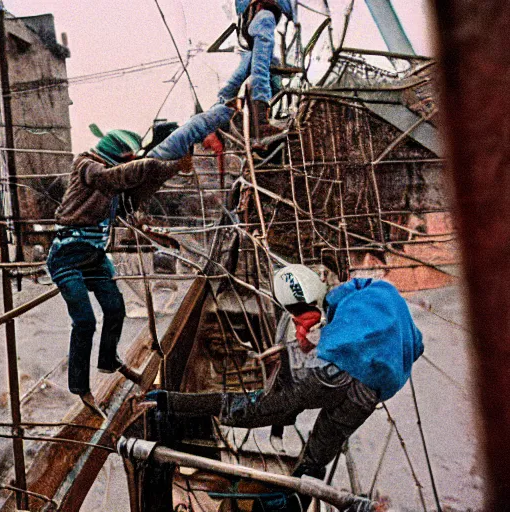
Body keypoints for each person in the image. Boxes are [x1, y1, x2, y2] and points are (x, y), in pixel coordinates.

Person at [146, 264, 423, 511]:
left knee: (255, 408)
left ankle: (169, 402)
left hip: (335, 373)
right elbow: (416, 344)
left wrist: (292, 356)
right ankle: (294, 502)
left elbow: (309, 338)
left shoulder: (331, 322)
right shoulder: (378, 293)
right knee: (318, 454)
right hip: (371, 390)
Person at [47, 128, 192, 416]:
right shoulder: (87, 165)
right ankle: (81, 388)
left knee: (115, 309)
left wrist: (173, 167)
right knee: (85, 322)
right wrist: (152, 163)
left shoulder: (114, 179)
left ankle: (108, 359)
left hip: (96, 256)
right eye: (128, 157)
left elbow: (134, 192)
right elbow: (110, 179)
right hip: (67, 256)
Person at [147, 0, 294, 160]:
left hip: (241, 108)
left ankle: (151, 160)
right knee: (198, 125)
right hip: (241, 108)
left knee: (197, 125)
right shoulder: (263, 23)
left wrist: (257, 111)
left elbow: (248, 77)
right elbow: (257, 71)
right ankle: (150, 161)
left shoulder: (260, 27)